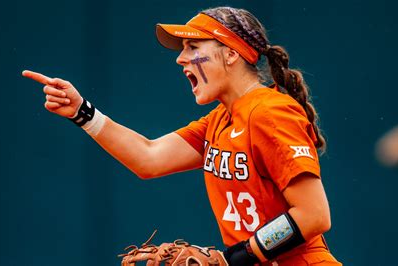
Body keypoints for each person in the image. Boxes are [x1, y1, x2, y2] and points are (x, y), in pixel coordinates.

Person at [23, 6, 341, 265]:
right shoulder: (220, 120)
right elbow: (148, 158)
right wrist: (83, 112)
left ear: (231, 53)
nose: (180, 58)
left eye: (193, 46)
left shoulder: (270, 112)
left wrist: (232, 258)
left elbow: (314, 215)